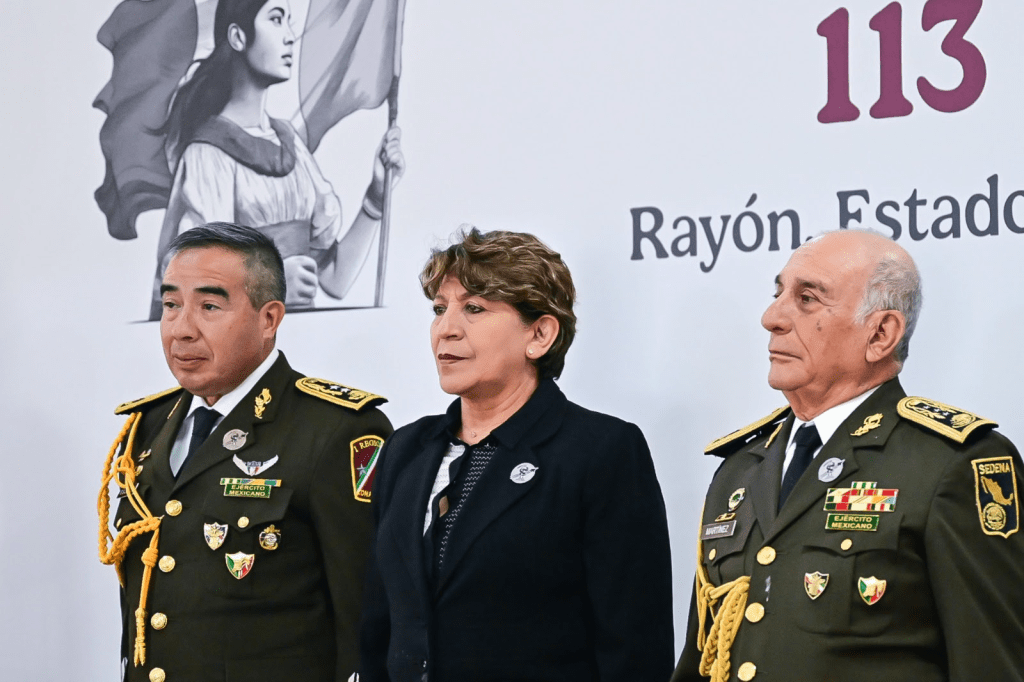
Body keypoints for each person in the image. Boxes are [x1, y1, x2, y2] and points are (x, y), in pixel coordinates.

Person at [673, 229, 1024, 682]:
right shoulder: (740, 469)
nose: (771, 317)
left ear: (880, 333)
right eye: (778, 293)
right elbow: (703, 657)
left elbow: (993, 665)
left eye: (808, 299)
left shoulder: (951, 464)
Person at [358, 228, 675, 681]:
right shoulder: (405, 450)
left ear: (541, 334)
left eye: (474, 308)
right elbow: (377, 624)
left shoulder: (600, 451)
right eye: (438, 309)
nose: (446, 328)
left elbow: (634, 649)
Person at [98, 222, 393, 682]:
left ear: (269, 318)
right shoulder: (146, 427)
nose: (181, 330)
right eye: (171, 305)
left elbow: (367, 616)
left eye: (209, 306)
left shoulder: (336, 429)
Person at [149, 0, 405, 318]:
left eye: (288, 21)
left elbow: (335, 279)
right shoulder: (206, 155)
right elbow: (195, 289)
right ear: (238, 37)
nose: (289, 36)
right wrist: (274, 283)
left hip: (303, 346)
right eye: (276, 19)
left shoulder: (291, 146)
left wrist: (376, 197)